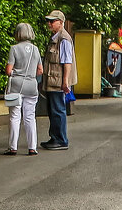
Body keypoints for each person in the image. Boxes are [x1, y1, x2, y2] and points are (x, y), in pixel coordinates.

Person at [4, 22, 43, 156]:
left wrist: (16, 72)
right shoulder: (35, 49)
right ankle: (32, 147)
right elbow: (40, 70)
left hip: (16, 87)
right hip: (32, 86)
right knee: (30, 116)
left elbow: (9, 71)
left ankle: (12, 147)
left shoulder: (14, 49)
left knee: (15, 116)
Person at [41, 9, 76, 150]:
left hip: (58, 81)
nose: (49, 23)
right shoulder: (55, 37)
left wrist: (65, 82)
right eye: (48, 21)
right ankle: (55, 137)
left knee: (58, 110)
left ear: (60, 22)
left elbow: (67, 61)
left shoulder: (64, 39)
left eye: (52, 21)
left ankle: (61, 140)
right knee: (53, 109)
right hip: (53, 80)